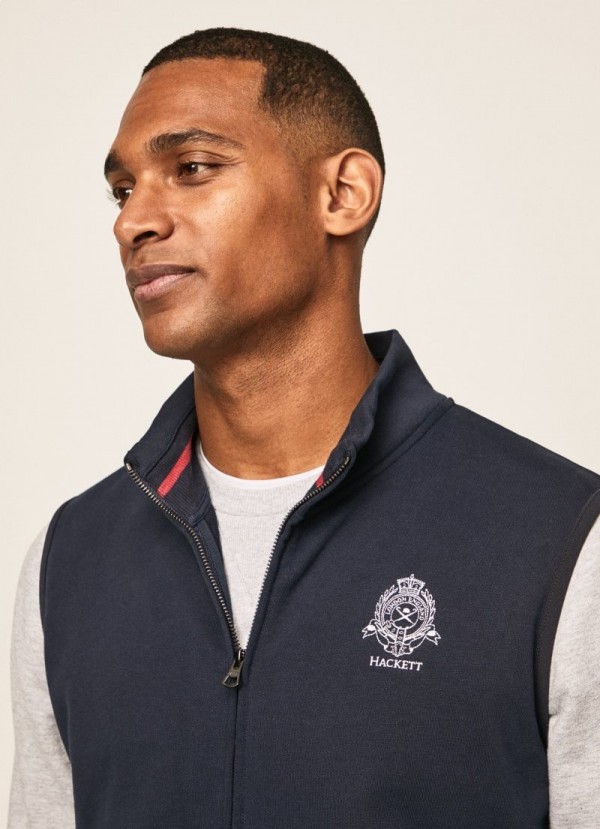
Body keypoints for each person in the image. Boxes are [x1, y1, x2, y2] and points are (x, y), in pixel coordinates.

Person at [8, 27, 600, 829]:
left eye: (192, 168)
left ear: (343, 194)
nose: (133, 221)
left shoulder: (562, 541)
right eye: (122, 189)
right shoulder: (70, 559)